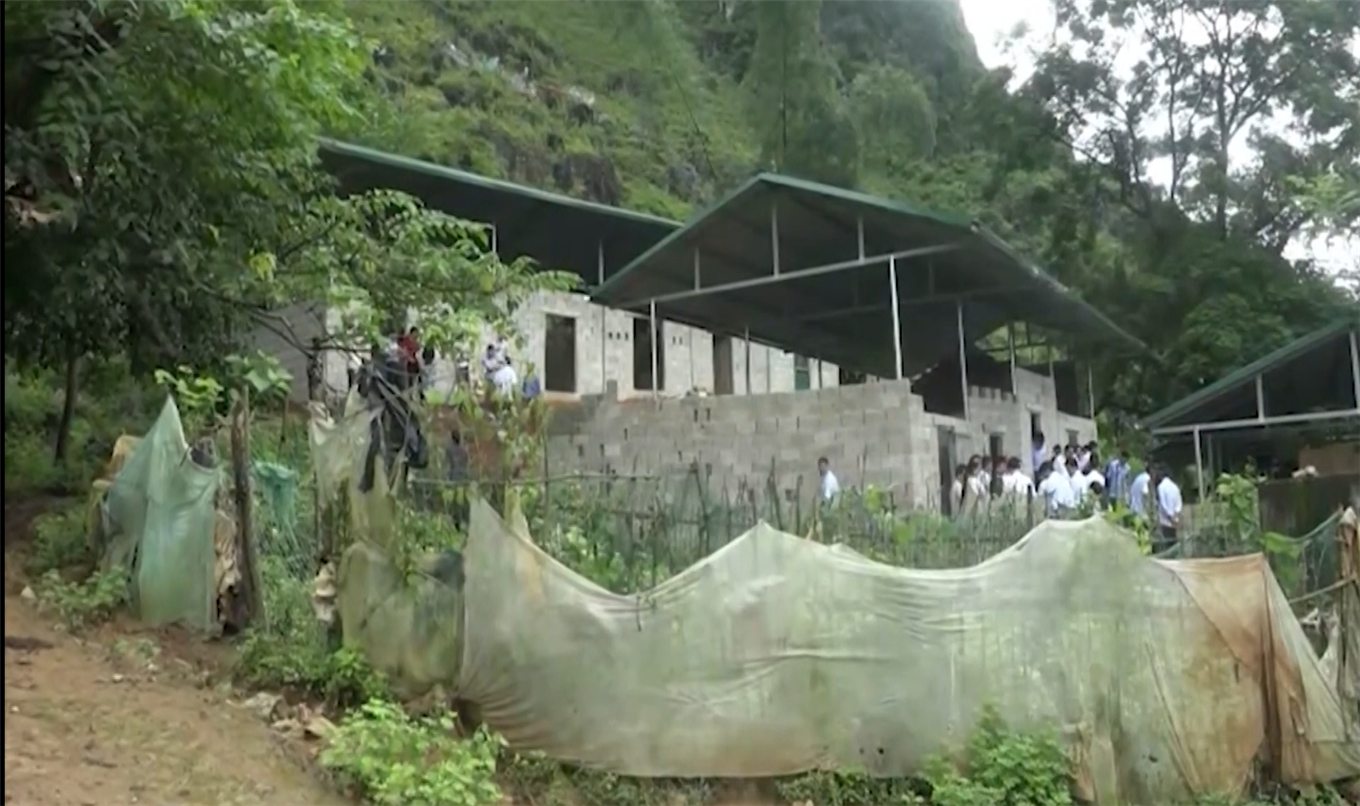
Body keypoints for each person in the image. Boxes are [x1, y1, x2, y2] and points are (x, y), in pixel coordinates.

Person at [1153, 464, 1183, 551]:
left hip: (1165, 521)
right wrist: (1175, 515)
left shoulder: (1161, 487)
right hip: (1175, 520)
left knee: (1167, 543)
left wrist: (1170, 517)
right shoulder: (1175, 486)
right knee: (1174, 540)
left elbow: (1163, 505)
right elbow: (1179, 503)